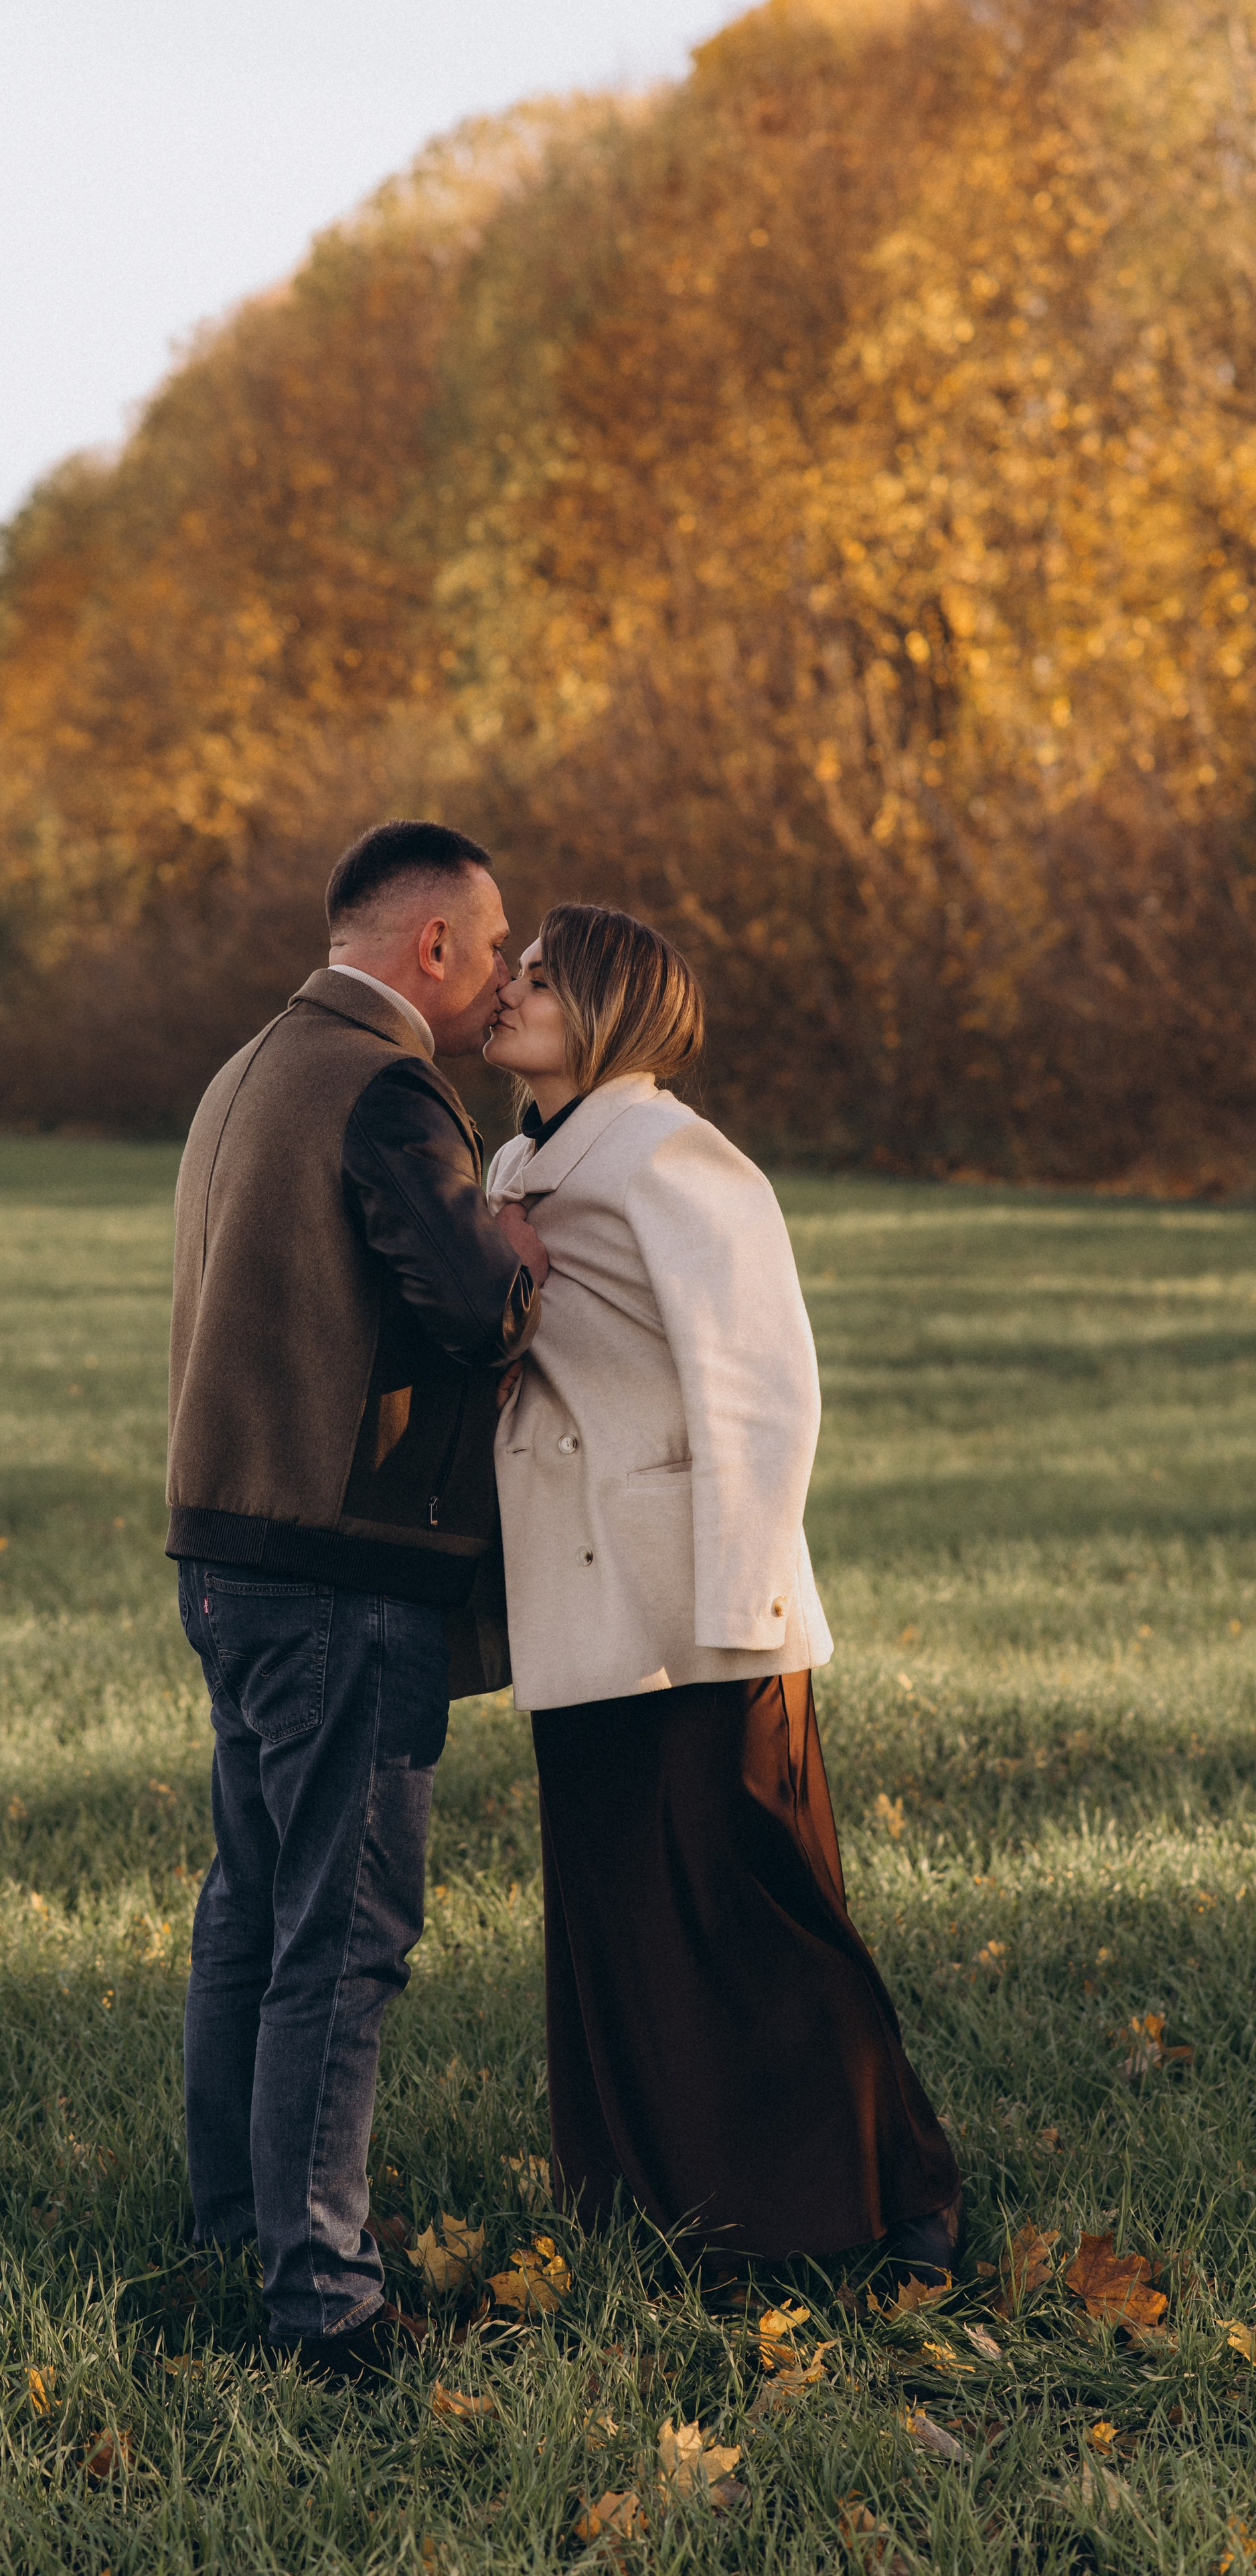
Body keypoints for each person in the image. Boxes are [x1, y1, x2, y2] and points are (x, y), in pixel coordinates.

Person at [482, 902, 961, 2274]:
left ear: (614, 1013)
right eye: (509, 973)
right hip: (579, 1603)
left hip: (695, 1610)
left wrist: (744, 1611)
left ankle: (889, 2200)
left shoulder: (675, 1158)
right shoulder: (520, 1154)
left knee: (755, 1910)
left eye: (541, 980)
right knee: (622, 1915)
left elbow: (763, 1388)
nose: (509, 993)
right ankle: (678, 2210)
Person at [166, 819, 550, 2380]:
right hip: (336, 1565)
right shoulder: (387, 1087)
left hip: (226, 1551)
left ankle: (228, 2231)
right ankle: (321, 2303)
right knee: (341, 1933)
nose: (507, 969)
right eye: (494, 939)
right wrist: (513, 1249)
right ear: (431, 947)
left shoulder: (244, 1068)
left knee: (252, 1911)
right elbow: (466, 1307)